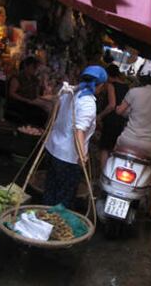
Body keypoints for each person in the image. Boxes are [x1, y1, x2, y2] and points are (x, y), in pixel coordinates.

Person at [43, 65, 108, 208]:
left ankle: (44, 219)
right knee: (63, 198)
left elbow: (55, 107)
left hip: (53, 148)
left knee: (50, 190)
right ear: (101, 86)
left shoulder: (70, 92)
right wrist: (82, 156)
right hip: (68, 157)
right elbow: (79, 131)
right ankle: (53, 224)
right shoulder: (88, 103)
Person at [115, 62, 151, 216]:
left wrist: (123, 111)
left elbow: (120, 111)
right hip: (148, 146)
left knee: (113, 156)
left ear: (142, 77)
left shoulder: (133, 92)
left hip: (127, 140)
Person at [98, 65, 129, 168]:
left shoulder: (111, 85)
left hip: (111, 120)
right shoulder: (126, 87)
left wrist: (100, 116)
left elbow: (112, 105)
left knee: (104, 148)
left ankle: (103, 175)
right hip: (121, 121)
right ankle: (110, 173)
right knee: (113, 148)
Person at [8, 57, 47, 126]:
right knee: (34, 114)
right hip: (19, 103)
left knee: (43, 113)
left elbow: (37, 94)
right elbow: (12, 93)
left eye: (36, 67)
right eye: (33, 67)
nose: (35, 69)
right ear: (26, 66)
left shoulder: (35, 80)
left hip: (31, 103)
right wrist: (26, 100)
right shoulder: (18, 77)